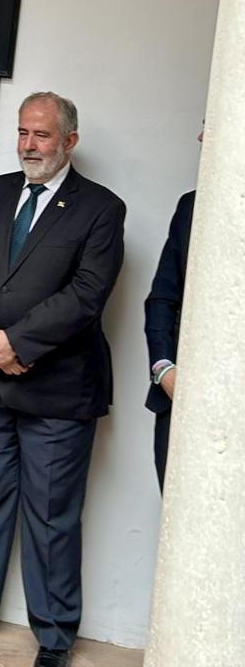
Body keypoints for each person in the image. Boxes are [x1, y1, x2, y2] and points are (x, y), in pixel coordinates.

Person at [0, 92, 125, 667]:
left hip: (58, 391)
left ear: (70, 141)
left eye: (41, 135)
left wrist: (17, 343)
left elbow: (88, 294)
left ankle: (56, 634)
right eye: (23, 133)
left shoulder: (101, 209)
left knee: (50, 514)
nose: (29, 146)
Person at [144, 126, 201, 490]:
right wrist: (164, 370)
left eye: (209, 127)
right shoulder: (191, 206)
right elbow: (162, 299)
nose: (198, 137)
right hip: (178, 402)